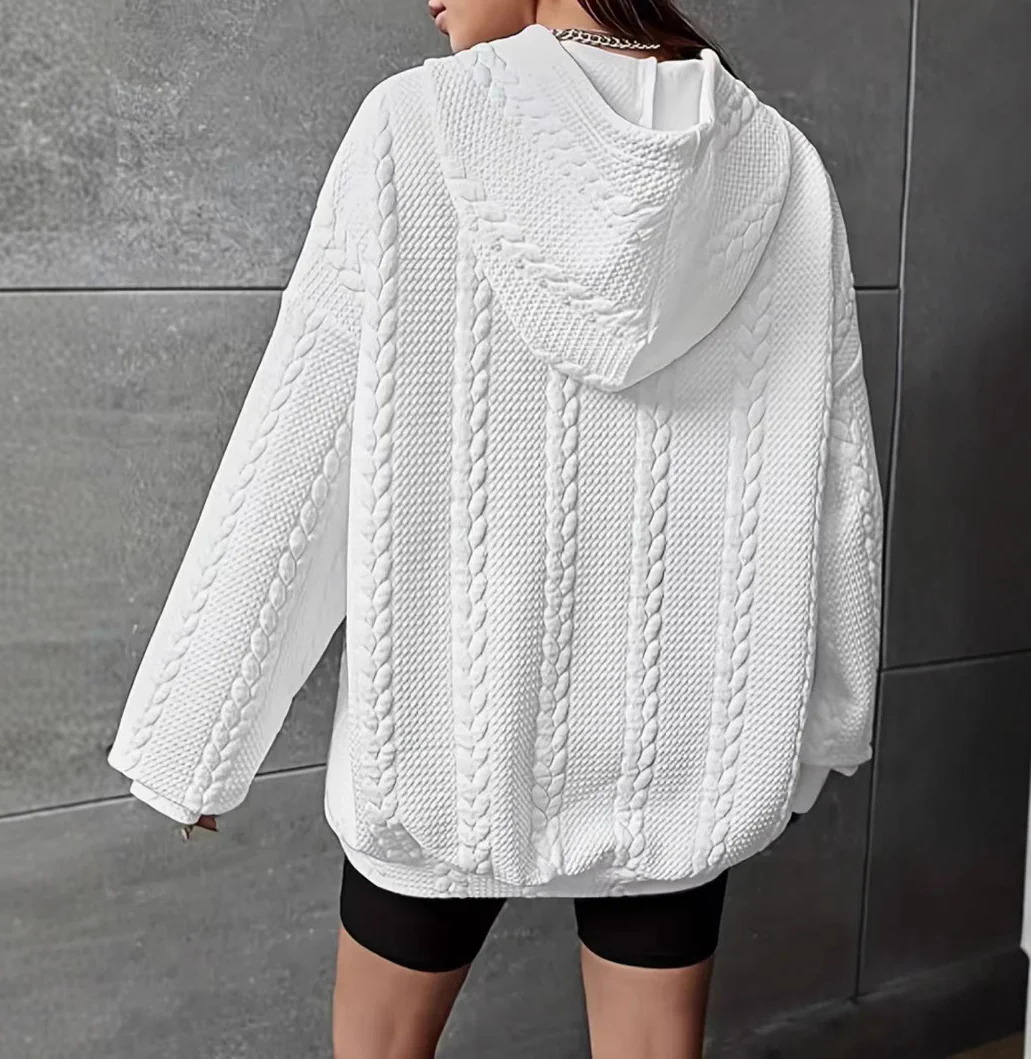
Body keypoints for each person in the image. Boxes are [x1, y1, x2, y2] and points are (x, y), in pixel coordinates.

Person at [105, 1, 884, 1056]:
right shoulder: (782, 169)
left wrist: (198, 736)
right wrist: (828, 730)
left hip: (442, 758)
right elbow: (840, 488)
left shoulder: (415, 124)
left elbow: (303, 441)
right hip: (683, 766)